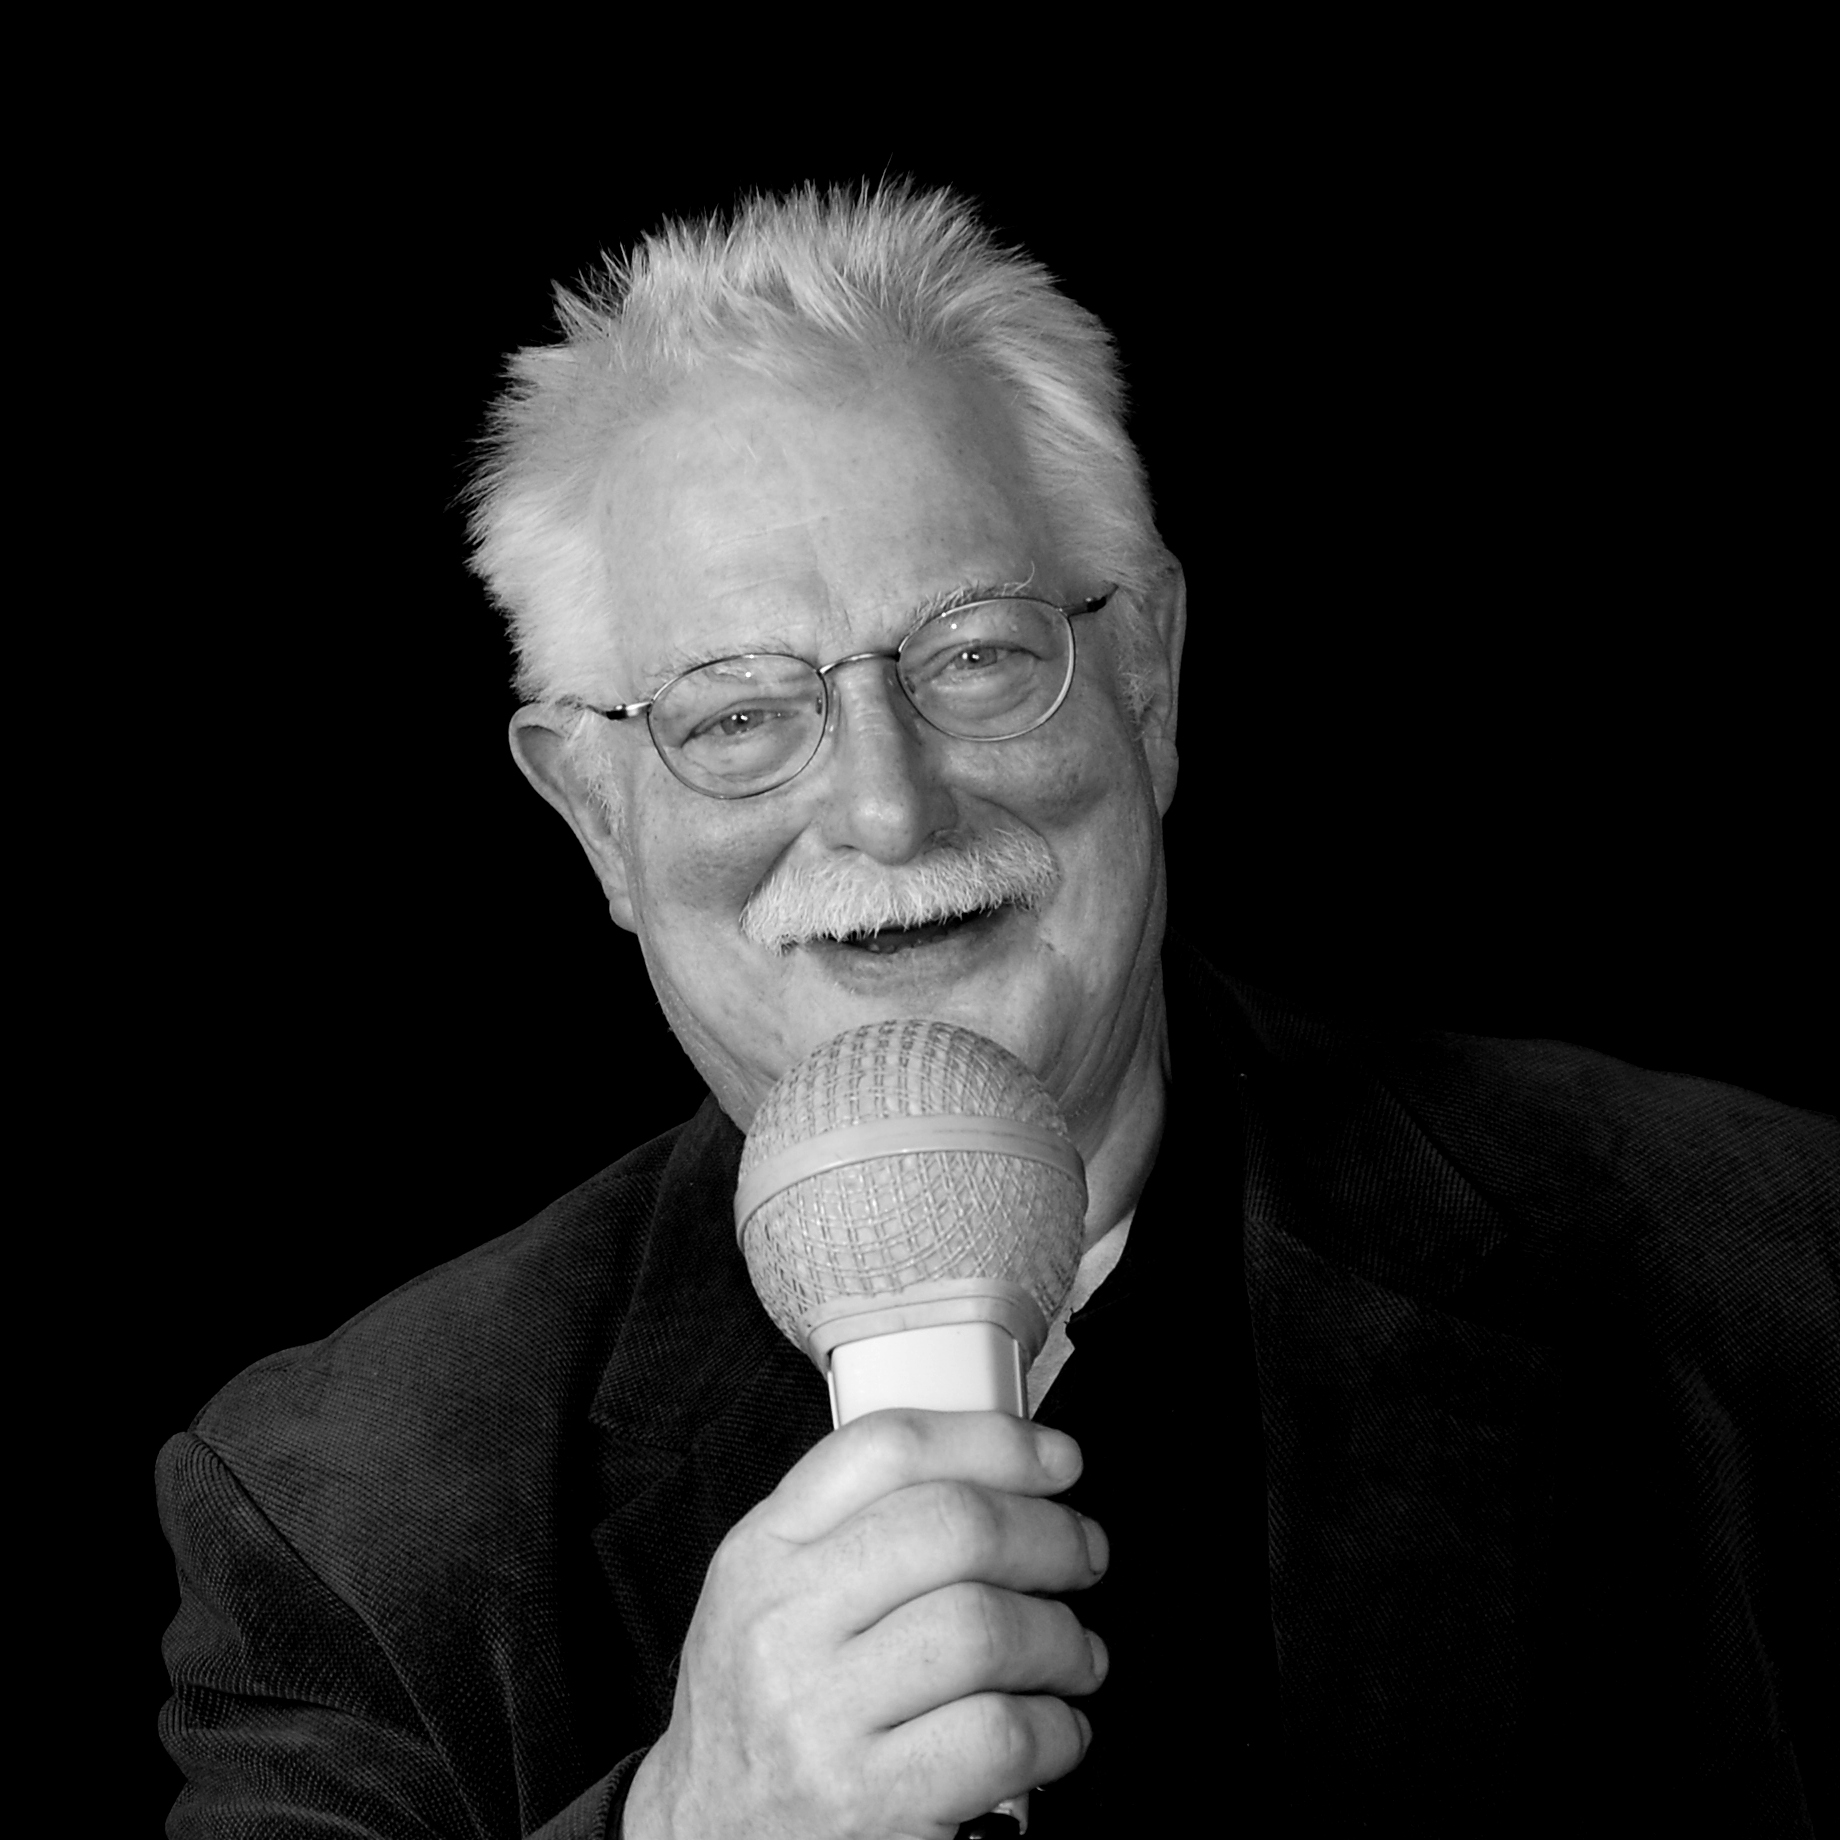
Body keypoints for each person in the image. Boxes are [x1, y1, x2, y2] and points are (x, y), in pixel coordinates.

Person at [157, 182, 1838, 1839]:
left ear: (1146, 681)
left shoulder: (1775, 1268)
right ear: (599, 816)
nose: (887, 809)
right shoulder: (353, 1511)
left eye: (972, 657)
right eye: (736, 717)